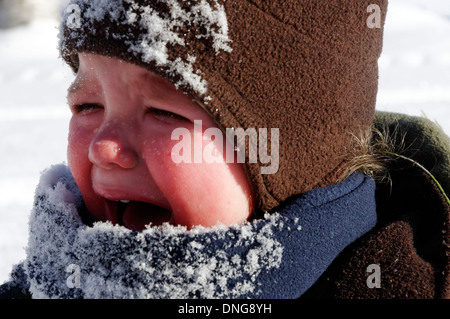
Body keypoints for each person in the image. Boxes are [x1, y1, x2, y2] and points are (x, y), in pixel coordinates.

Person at [0, 0, 448, 299]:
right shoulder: (47, 284)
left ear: (290, 154)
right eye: (87, 104)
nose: (105, 146)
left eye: (164, 112)